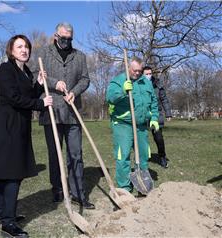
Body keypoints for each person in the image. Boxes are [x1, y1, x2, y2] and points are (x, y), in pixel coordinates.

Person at [0, 35, 53, 238]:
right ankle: (8, 224)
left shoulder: (26, 71)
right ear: (11, 50)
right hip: (6, 127)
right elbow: (13, 98)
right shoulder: (5, 69)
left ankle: (1, 214)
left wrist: (37, 85)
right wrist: (41, 104)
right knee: (11, 175)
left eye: (26, 46)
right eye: (19, 46)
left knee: (5, 174)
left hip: (19, 127)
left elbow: (27, 96)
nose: (24, 50)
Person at [34, 22, 94, 209]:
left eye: (69, 39)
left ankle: (77, 192)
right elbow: (37, 75)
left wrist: (74, 91)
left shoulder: (80, 56)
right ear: (55, 36)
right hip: (51, 110)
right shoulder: (44, 53)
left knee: (75, 153)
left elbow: (85, 79)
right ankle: (58, 188)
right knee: (55, 154)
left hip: (72, 112)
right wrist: (54, 83)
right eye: (63, 38)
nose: (66, 41)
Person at [106, 57, 159, 192]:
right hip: (123, 124)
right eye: (135, 70)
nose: (137, 73)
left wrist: (154, 117)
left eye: (140, 71)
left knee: (143, 155)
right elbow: (110, 98)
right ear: (128, 68)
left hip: (141, 125)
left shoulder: (145, 83)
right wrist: (123, 91)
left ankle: (143, 187)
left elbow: (153, 101)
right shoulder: (119, 80)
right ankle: (125, 188)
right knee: (123, 156)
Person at [143, 66, 172, 168]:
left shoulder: (158, 85)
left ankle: (162, 156)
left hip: (157, 114)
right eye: (146, 74)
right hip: (143, 114)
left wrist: (168, 113)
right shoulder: (139, 84)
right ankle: (142, 157)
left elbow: (164, 99)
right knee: (141, 137)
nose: (148, 76)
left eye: (150, 74)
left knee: (158, 138)